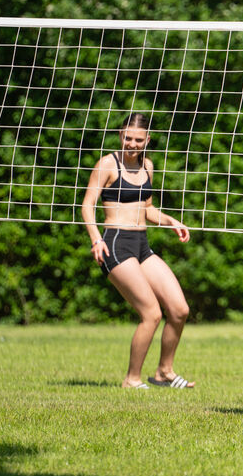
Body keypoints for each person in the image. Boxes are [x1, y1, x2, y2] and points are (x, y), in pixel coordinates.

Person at [81, 113, 194, 390]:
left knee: (179, 310)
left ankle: (164, 373)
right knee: (151, 313)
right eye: (127, 137)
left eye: (138, 139)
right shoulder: (108, 164)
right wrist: (96, 239)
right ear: (121, 135)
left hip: (142, 244)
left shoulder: (148, 166)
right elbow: (87, 205)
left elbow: (148, 209)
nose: (132, 144)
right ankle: (131, 379)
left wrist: (171, 221)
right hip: (115, 244)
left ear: (147, 140)